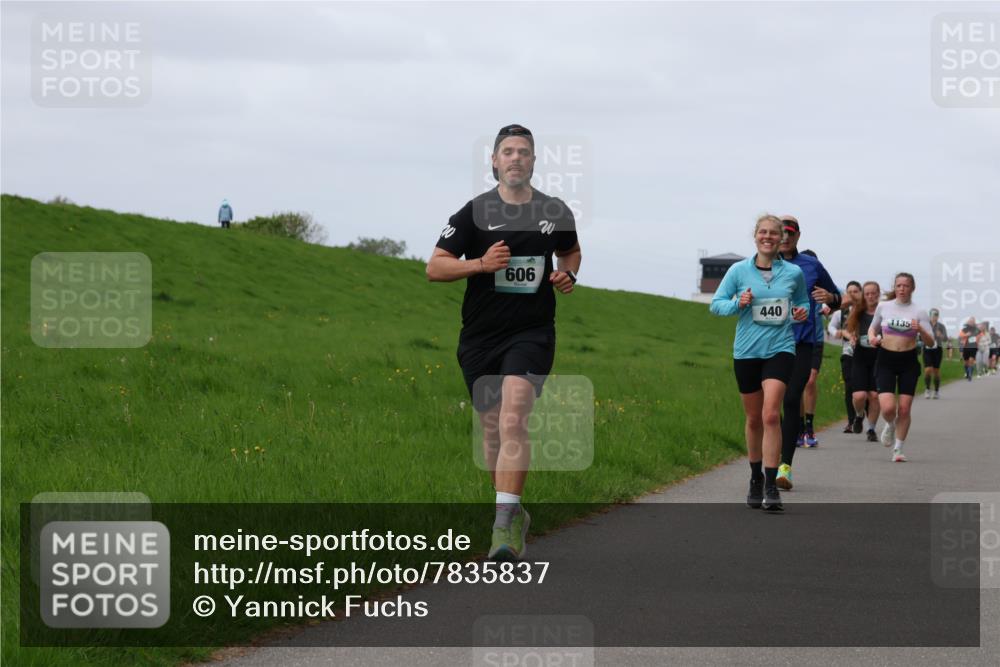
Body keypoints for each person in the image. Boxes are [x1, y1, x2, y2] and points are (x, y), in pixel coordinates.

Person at [427, 124, 581, 560]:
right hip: (480, 338)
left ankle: (502, 528)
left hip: (532, 333)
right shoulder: (473, 213)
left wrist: (568, 273)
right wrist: (480, 264)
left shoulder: (554, 211)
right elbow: (435, 267)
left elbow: (570, 250)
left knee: (514, 418)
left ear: (534, 161)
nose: (516, 158)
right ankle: (513, 512)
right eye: (508, 151)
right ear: (494, 161)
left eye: (524, 152)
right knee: (493, 430)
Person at [711, 214, 809, 512]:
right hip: (747, 352)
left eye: (773, 233)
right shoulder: (738, 271)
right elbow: (716, 305)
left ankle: (771, 485)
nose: (768, 237)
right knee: (754, 419)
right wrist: (737, 304)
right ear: (755, 236)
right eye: (763, 232)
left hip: (780, 349)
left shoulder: (793, 273)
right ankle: (755, 477)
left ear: (782, 238)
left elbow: (802, 302)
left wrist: (801, 312)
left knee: (770, 415)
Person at [774, 217, 841, 489]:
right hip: (768, 343)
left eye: (790, 233)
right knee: (770, 406)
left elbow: (836, 297)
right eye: (781, 233)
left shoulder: (811, 265)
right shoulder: (762, 262)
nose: (785, 238)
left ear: (798, 236)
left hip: (801, 344)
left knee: (791, 399)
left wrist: (830, 299)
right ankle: (770, 458)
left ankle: (785, 466)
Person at [868, 272, 935, 462]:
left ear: (912, 288)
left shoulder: (919, 312)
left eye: (906, 286)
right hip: (886, 360)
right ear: (895, 287)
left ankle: (898, 449)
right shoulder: (884, 306)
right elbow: (873, 328)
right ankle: (890, 424)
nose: (902, 289)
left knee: (904, 409)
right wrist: (872, 337)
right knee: (888, 408)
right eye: (898, 285)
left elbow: (931, 342)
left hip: (908, 361)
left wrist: (920, 329)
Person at [846, 281, 882, 442]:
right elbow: (850, 329)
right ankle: (859, 415)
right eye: (867, 293)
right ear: (863, 295)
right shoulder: (857, 311)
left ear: (878, 294)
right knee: (859, 395)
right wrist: (852, 337)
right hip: (860, 356)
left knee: (874, 395)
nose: (870, 296)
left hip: (879, 357)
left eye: (873, 293)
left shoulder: (884, 311)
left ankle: (871, 429)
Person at [829, 281, 863, 431]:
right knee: (849, 387)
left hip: (866, 353)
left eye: (856, 291)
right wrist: (838, 332)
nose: (852, 294)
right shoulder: (840, 312)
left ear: (861, 293)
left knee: (864, 390)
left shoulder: (866, 310)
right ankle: (851, 421)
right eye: (849, 292)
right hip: (848, 352)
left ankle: (862, 414)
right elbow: (831, 326)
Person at [922, 308, 949, 399]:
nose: (935, 317)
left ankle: (936, 391)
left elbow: (945, 339)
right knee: (928, 369)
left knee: (936, 371)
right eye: (933, 315)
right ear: (930, 315)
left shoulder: (941, 326)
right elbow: (920, 336)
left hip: (937, 349)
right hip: (927, 349)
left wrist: (940, 335)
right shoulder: (926, 325)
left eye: (936, 315)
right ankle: (927, 389)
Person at [958, 317, 979, 381]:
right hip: (966, 347)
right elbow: (960, 336)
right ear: (968, 323)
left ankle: (970, 375)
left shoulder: (976, 329)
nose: (971, 323)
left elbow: (980, 336)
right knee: (966, 362)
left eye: (972, 322)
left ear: (974, 323)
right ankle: (967, 372)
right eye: (970, 322)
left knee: (971, 360)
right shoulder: (964, 329)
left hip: (973, 347)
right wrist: (966, 335)